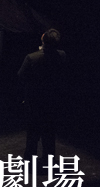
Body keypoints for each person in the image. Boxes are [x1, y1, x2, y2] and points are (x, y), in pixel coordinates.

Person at [18, 29, 67, 162]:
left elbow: (21, 76)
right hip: (52, 101)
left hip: (35, 101)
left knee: (32, 134)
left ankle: (30, 159)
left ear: (43, 38)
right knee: (49, 133)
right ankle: (48, 159)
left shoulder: (31, 57)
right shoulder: (62, 55)